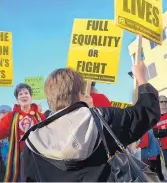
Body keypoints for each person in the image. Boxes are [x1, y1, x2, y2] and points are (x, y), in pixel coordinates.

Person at [21, 62, 160, 182]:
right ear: (79, 94)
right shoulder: (103, 118)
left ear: (49, 98)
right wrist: (142, 78)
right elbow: (146, 113)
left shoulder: (33, 141)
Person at [0, 83, 46, 182]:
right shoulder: (10, 116)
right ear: (17, 99)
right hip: (18, 160)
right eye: (20, 94)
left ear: (31, 97)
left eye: (26, 93)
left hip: (37, 158)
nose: (23, 95)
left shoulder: (40, 117)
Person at [153, 95, 167, 167]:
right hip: (165, 147)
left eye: (165, 101)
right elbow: (155, 133)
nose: (164, 103)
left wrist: (161, 131)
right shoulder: (156, 118)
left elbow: (158, 132)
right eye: (161, 101)